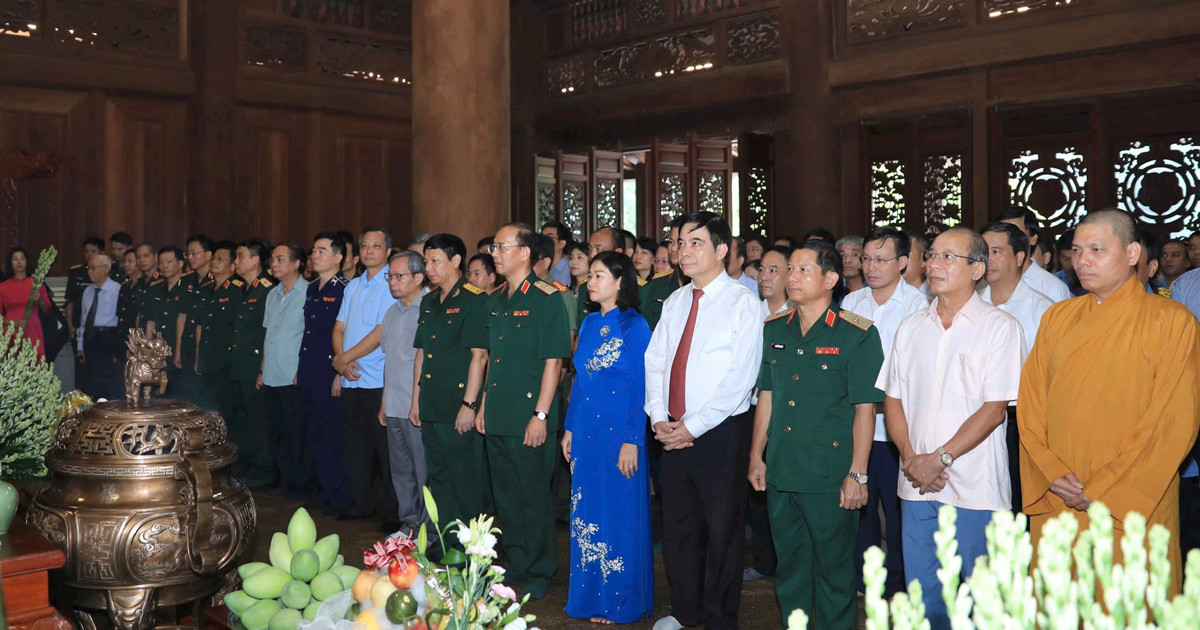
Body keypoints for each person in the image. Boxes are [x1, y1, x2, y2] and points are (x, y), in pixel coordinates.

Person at [1019, 209, 1200, 592]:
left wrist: (1101, 488)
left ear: (1133, 253)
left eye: (1097, 250)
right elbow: (1031, 404)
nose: (1082, 260)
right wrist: (1051, 471)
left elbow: (1174, 421)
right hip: (1061, 493)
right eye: (1077, 250)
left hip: (1133, 497)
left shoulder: (1173, 320)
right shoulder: (1057, 318)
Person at [879, 227, 1024, 630]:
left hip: (976, 488)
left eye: (948, 257)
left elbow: (995, 409)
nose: (934, 265)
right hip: (916, 486)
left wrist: (938, 459)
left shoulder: (1000, 327)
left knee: (981, 601)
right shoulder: (910, 327)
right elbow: (892, 400)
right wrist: (911, 459)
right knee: (926, 598)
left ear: (978, 268)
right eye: (931, 256)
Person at [749, 240, 883, 628]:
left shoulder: (855, 334)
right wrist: (757, 455)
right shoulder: (775, 329)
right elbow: (768, 396)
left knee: (834, 574)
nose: (791, 277)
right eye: (790, 269)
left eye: (803, 270)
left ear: (830, 279)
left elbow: (865, 410)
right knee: (790, 571)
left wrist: (858, 473)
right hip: (783, 470)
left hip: (829, 474)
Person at [646, 211, 762, 630]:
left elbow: (740, 379)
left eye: (696, 243)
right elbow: (656, 361)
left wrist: (693, 426)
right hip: (671, 431)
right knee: (678, 530)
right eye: (680, 243)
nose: (683, 251)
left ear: (722, 250)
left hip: (719, 434)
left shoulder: (743, 302)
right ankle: (685, 612)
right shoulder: (676, 301)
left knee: (722, 532)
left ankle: (718, 618)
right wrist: (660, 417)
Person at [477, 223, 572, 601]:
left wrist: (542, 415)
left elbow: (554, 362)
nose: (495, 253)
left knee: (533, 496)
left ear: (525, 253)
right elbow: (492, 362)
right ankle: (515, 561)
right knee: (506, 496)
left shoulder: (548, 298)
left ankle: (540, 568)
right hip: (499, 412)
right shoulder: (495, 298)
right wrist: (483, 405)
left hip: (531, 414)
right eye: (494, 246)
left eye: (502, 247)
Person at [562, 251, 654, 625]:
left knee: (619, 514)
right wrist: (569, 427)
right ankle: (588, 599)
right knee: (587, 513)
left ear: (620, 282)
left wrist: (633, 438)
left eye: (600, 275)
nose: (592, 281)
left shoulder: (635, 326)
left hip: (620, 434)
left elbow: (640, 386)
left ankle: (620, 601)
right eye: (591, 276)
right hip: (586, 432)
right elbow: (579, 383)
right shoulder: (586, 324)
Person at [840, 226, 928, 596]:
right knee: (859, 508)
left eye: (881, 259)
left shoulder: (920, 306)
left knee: (896, 512)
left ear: (904, 263)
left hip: (896, 428)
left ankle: (896, 584)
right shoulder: (850, 303)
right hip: (858, 426)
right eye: (867, 259)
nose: (871, 267)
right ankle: (864, 579)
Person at [412, 234, 490, 543]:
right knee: (440, 480)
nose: (429, 268)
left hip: (458, 405)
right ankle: (446, 543)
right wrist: (416, 400)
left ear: (456, 261)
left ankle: (470, 547)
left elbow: (479, 356)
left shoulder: (474, 299)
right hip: (432, 404)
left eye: (435, 261)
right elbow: (421, 354)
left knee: (465, 482)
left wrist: (469, 405)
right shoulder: (429, 301)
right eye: (426, 261)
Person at [978, 222, 1053, 514]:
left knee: (1017, 504)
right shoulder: (969, 303)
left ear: (1020, 257)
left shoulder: (1042, 309)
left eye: (996, 251)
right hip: (973, 419)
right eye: (984, 252)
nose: (988, 259)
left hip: (1020, 422)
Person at [334, 228, 398, 523]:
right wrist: (341, 362)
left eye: (377, 245)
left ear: (388, 251)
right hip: (351, 377)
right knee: (355, 446)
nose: (370, 250)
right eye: (365, 246)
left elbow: (381, 332)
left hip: (378, 379)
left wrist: (345, 358)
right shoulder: (354, 285)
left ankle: (393, 513)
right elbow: (339, 327)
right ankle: (362, 503)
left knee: (385, 452)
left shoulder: (392, 284)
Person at [742, 244, 793, 583]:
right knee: (756, 490)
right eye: (762, 269)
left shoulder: (798, 314)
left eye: (774, 269)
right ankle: (764, 559)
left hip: (788, 413)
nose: (765, 276)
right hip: (750, 409)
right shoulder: (748, 311)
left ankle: (790, 559)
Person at [297, 233, 350, 514]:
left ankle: (338, 493)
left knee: (333, 434)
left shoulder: (344, 288)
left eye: (321, 250)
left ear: (338, 258)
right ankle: (322, 489)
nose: (314, 255)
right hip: (310, 369)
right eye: (313, 250)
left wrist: (339, 372)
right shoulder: (313, 288)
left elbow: (345, 332)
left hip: (329, 370)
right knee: (315, 433)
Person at [380, 250, 430, 536]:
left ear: (418, 278)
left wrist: (417, 402)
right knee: (401, 471)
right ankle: (409, 523)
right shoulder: (392, 312)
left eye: (399, 276)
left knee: (423, 471)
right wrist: (383, 402)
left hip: (416, 406)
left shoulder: (428, 308)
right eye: (390, 276)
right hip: (394, 403)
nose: (393, 282)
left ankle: (426, 528)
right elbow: (391, 361)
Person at [261, 243, 309, 498]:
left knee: (296, 433)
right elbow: (268, 333)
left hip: (293, 374)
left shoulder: (307, 292)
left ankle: (300, 484)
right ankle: (285, 480)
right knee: (277, 432)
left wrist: (303, 369)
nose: (274, 264)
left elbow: (308, 338)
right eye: (273, 260)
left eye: (280, 259)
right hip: (271, 373)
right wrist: (262, 369)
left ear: (296, 263)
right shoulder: (272, 294)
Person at [228, 239, 275, 488]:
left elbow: (268, 331)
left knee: (259, 421)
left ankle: (264, 469)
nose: (236, 262)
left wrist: (262, 368)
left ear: (255, 260)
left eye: (240, 256)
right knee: (243, 420)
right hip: (239, 364)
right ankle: (247, 463)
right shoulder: (242, 288)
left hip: (256, 365)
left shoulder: (267, 289)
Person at [195, 241, 238, 415]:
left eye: (221, 259)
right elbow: (200, 325)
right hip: (208, 357)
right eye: (213, 258)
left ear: (233, 265)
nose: (214, 262)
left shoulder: (238, 290)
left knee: (227, 406)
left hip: (227, 360)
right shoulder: (207, 290)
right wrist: (199, 356)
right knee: (208, 406)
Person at [996, 205, 1071, 302]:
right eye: (1002, 234)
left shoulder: (1052, 287)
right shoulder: (991, 281)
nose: (1008, 240)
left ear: (1033, 239)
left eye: (1016, 233)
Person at [75, 255, 122, 399]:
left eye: (94, 268)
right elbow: (84, 320)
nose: (90, 271)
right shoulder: (88, 291)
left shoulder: (117, 289)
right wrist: (80, 345)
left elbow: (121, 320)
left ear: (106, 269)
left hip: (108, 338)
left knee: (108, 381)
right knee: (91, 381)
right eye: (88, 268)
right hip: (91, 338)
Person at [0, 248, 52, 359]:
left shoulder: (37, 284)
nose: (19, 262)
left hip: (33, 329)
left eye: (22, 259)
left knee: (34, 364)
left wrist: (39, 300)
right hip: (11, 331)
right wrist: (14, 324)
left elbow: (48, 309)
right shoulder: (3, 287)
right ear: (10, 263)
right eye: (15, 259)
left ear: (27, 262)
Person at [542, 221, 573, 286]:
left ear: (562, 244)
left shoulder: (570, 269)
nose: (543, 241)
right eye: (542, 237)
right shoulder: (538, 266)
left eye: (549, 238)